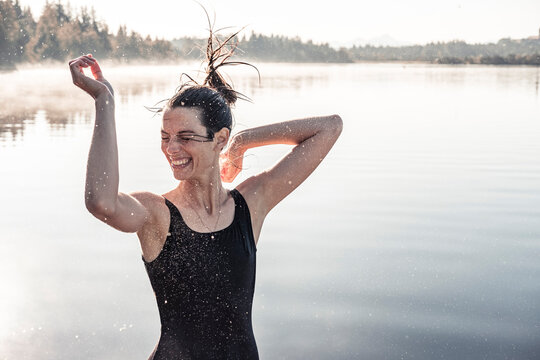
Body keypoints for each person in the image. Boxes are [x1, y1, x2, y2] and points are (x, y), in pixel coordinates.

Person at [68, 30, 342, 360]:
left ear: (219, 139)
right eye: (165, 136)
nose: (171, 148)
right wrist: (104, 101)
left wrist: (244, 140)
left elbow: (330, 127)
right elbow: (101, 202)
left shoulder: (250, 204)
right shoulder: (158, 213)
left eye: (185, 137)